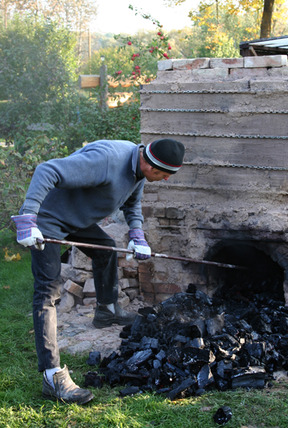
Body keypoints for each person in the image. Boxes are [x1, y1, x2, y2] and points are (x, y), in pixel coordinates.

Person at [11, 138, 185, 405]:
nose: (164, 180)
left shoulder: (138, 171)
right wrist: (28, 219)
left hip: (73, 219)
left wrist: (137, 235)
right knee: (48, 292)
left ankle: (106, 311)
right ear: (148, 163)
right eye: (162, 174)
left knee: (105, 248)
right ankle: (51, 376)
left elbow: (132, 204)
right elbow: (48, 170)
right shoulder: (107, 160)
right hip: (46, 218)